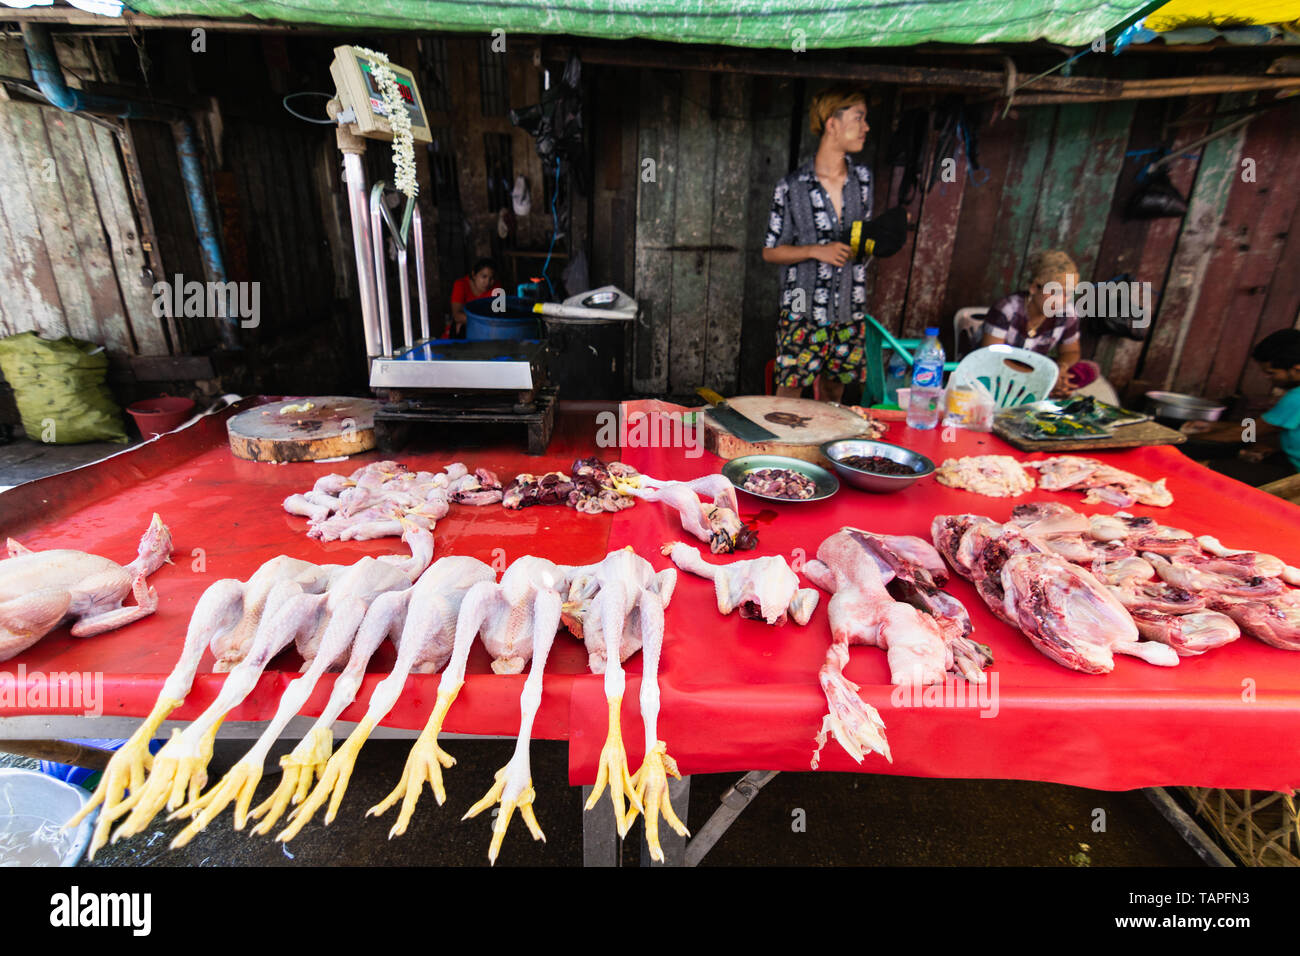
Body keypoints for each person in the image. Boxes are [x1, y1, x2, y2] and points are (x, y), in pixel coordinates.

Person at [762, 85, 873, 403]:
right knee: (789, 394)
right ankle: (785, 450)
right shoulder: (792, 187)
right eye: (859, 117)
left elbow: (862, 239)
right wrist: (815, 250)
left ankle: (823, 452)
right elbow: (770, 251)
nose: (865, 127)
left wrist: (872, 243)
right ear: (832, 123)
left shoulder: (862, 180)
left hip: (850, 307)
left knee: (835, 394)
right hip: (802, 308)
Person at [1178, 329, 1300, 485]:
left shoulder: (1296, 398)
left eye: (1271, 373)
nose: (1268, 379)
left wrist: (1184, 439)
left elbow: (1248, 433)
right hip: (1287, 459)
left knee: (1201, 468)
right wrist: (1214, 426)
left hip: (1295, 477)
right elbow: (1262, 429)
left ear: (1297, 368)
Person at [978, 250, 1100, 399]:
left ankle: (1050, 389)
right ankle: (1045, 391)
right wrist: (1043, 375)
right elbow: (991, 356)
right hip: (1003, 369)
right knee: (993, 380)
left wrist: (1060, 369)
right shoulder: (1007, 309)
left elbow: (1071, 352)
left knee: (1089, 369)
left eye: (1067, 294)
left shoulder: (1067, 312)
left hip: (1039, 369)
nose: (1060, 300)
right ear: (1034, 287)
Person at [448, 258, 504, 338]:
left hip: (484, 329)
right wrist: (484, 321)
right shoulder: (460, 285)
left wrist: (467, 320)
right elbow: (457, 316)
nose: (487, 282)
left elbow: (498, 318)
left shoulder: (497, 288)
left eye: (491, 278)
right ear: (474, 275)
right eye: (484, 276)